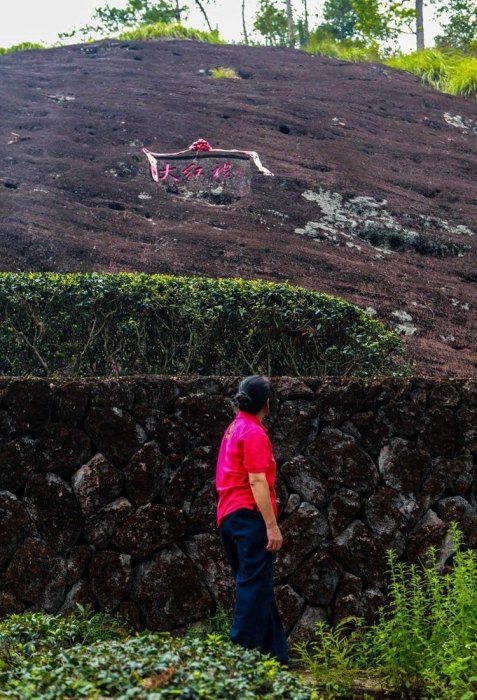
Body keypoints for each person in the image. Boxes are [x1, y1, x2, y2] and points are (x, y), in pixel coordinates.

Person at [215, 375, 289, 665]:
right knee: (253, 584)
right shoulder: (255, 432)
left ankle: (276, 653)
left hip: (229, 516)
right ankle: (241, 654)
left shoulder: (234, 428)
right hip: (249, 516)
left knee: (257, 583)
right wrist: (271, 526)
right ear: (267, 404)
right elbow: (257, 480)